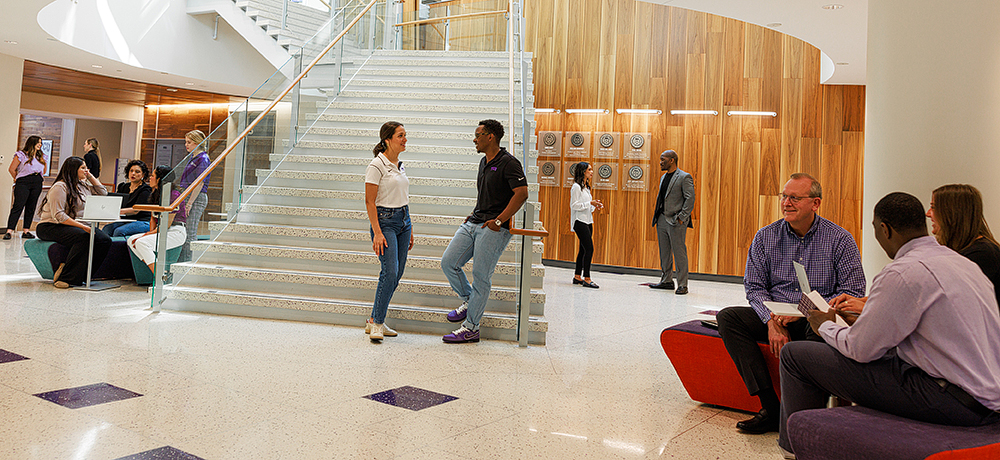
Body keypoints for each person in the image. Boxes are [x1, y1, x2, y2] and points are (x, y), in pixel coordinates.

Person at [778, 192, 1000, 457]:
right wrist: (869, 317)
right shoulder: (963, 264)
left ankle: (795, 449)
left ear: (885, 229)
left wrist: (824, 325)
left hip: (949, 401)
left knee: (796, 355)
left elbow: (860, 349)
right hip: (987, 398)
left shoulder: (901, 271)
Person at [715, 173, 865, 434]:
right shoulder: (766, 237)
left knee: (817, 328)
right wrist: (770, 321)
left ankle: (806, 416)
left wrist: (804, 312)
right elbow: (754, 286)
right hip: (778, 316)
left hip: (815, 320)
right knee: (729, 318)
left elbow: (852, 293)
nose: (786, 203)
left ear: (815, 203)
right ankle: (770, 408)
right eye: (784, 197)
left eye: (795, 198)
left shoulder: (840, 240)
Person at [440, 119, 528, 343]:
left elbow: (522, 194)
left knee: (481, 277)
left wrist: (499, 221)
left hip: (494, 228)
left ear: (490, 137)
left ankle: (471, 327)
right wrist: (475, 213)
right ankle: (470, 300)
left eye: (478, 135)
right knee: (449, 262)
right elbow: (486, 194)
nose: (474, 139)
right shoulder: (483, 162)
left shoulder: (509, 163)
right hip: (475, 222)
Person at [363, 121, 413, 342]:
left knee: (397, 273)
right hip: (385, 222)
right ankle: (377, 323)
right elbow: (369, 201)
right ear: (387, 139)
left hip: (403, 220)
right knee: (389, 272)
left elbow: (403, 197)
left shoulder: (400, 165)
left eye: (405, 135)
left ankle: (375, 318)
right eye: (400, 135)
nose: (404, 139)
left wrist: (409, 226)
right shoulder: (376, 165)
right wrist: (378, 232)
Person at [35, 156, 109, 288]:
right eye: (83, 168)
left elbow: (103, 193)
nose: (86, 170)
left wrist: (90, 176)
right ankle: (66, 277)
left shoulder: (82, 185)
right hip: (51, 226)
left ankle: (83, 274)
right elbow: (59, 215)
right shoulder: (60, 186)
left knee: (104, 240)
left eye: (87, 168)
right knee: (84, 237)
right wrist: (84, 228)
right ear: (73, 170)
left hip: (74, 225)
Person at [927, 184, 1000, 306]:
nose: (928, 214)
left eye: (933, 208)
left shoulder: (983, 255)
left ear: (952, 213)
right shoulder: (973, 251)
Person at [649, 149, 695, 294]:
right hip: (662, 219)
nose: (660, 162)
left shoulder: (684, 177)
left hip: (676, 220)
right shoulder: (664, 177)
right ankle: (666, 280)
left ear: (672, 160)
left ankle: (682, 284)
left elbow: (690, 198)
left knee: (679, 253)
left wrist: (682, 217)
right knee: (665, 252)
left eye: (663, 159)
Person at [127, 165, 187, 275]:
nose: (150, 178)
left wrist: (146, 235)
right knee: (131, 240)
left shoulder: (174, 195)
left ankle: (159, 275)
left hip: (175, 231)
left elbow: (166, 225)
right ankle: (161, 272)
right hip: (162, 231)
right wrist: (149, 234)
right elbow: (152, 219)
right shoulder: (155, 194)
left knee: (141, 242)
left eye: (153, 176)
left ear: (160, 179)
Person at [176, 129, 211, 262]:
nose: (186, 145)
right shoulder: (192, 157)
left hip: (196, 197)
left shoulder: (203, 159)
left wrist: (190, 202)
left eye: (189, 142)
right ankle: (183, 260)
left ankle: (188, 262)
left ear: (197, 142)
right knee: (184, 230)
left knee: (190, 231)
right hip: (187, 194)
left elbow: (199, 183)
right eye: (186, 142)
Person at [569, 161, 604, 288]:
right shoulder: (576, 187)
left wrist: (595, 205)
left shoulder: (586, 187)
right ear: (583, 171)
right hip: (579, 221)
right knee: (589, 249)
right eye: (589, 170)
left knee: (583, 249)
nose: (592, 172)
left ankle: (577, 276)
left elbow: (588, 206)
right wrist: (590, 204)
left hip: (588, 221)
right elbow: (574, 205)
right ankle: (587, 278)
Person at [5, 135, 46, 240]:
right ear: (32, 143)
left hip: (37, 181)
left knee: (31, 207)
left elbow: (43, 171)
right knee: (18, 205)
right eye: (38, 142)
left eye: (41, 143)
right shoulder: (21, 155)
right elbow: (12, 169)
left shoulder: (41, 156)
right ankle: (9, 230)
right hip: (23, 182)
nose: (40, 145)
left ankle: (26, 231)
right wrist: (18, 178)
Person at [102, 159, 152, 237]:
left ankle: (119, 249)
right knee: (106, 229)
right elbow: (116, 203)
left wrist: (116, 211)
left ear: (143, 175)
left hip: (142, 220)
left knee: (119, 231)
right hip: (126, 220)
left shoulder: (146, 190)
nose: (133, 173)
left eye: (137, 172)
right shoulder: (123, 187)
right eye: (131, 171)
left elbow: (135, 210)